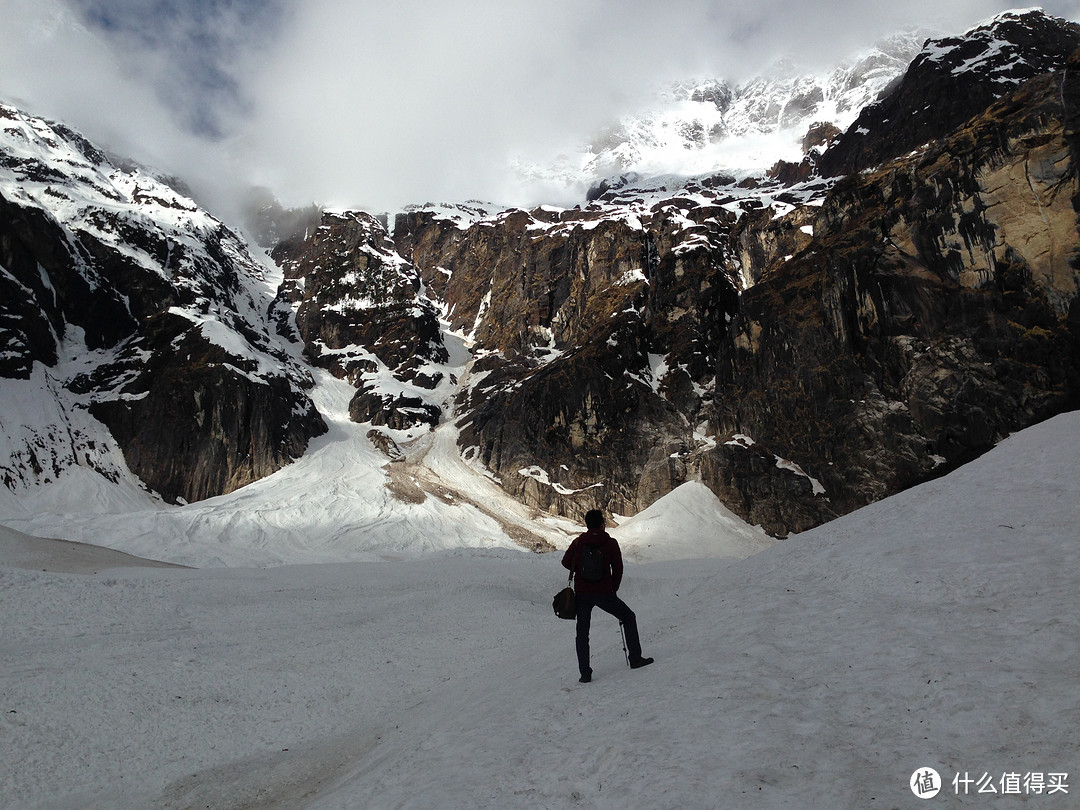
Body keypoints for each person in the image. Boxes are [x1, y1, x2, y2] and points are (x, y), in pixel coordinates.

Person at [562, 509, 654, 683]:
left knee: (582, 633)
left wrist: (581, 569)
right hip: (604, 592)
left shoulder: (579, 542)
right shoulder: (610, 543)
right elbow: (618, 569)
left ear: (587, 524)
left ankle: (585, 674)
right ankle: (635, 658)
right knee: (628, 617)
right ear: (602, 524)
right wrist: (613, 589)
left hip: (582, 594)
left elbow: (566, 562)